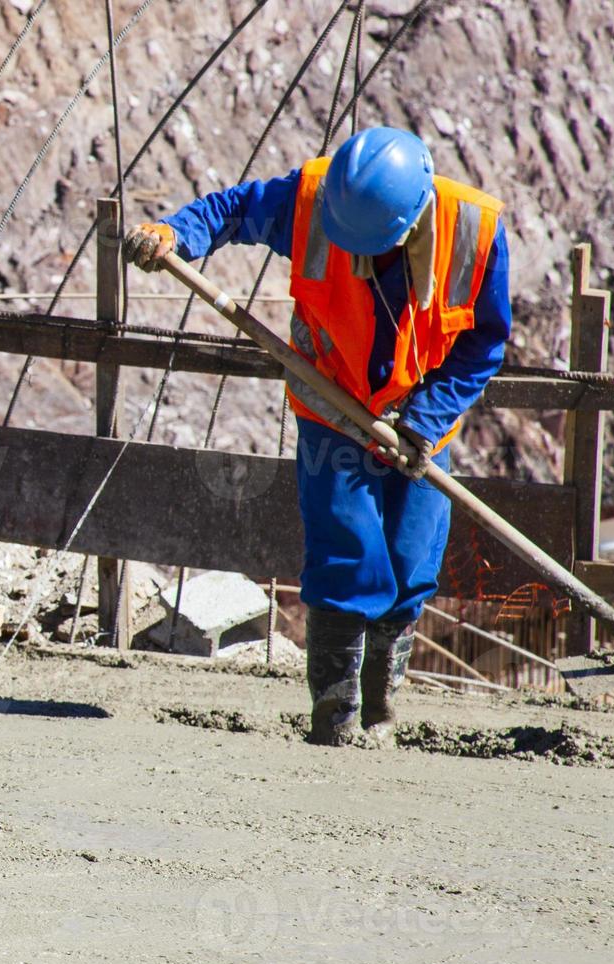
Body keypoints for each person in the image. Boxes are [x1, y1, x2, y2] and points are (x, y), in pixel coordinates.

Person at [125, 127, 511, 744]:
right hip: (331, 405)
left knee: (411, 562)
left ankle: (380, 719)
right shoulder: (312, 198)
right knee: (346, 554)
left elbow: (481, 347)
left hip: (420, 420)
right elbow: (234, 210)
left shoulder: (475, 230)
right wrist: (178, 233)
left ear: (414, 217)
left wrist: (423, 424)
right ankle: (335, 720)